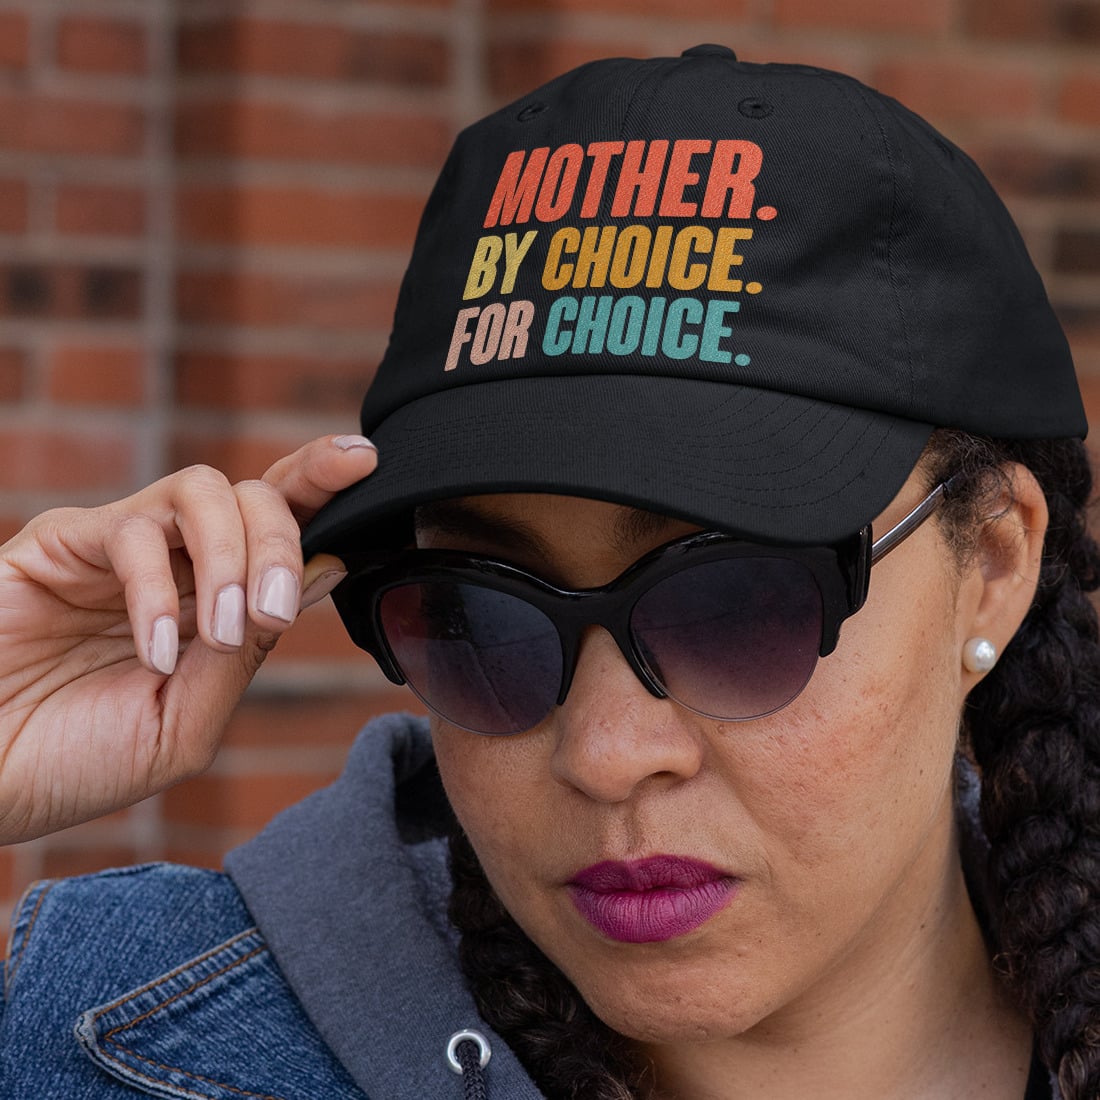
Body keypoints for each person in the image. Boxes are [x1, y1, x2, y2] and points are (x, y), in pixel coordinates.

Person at [0, 45, 1094, 1100]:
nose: (606, 755)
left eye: (732, 605)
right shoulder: (102, 1047)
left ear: (991, 562)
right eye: (480, 614)